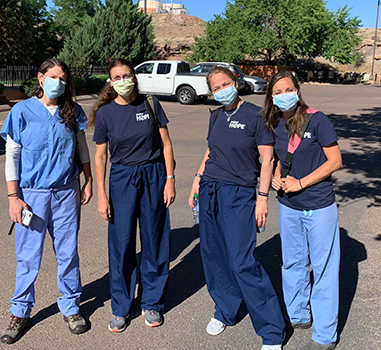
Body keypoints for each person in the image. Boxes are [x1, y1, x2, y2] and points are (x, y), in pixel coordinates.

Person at [189, 66, 286, 350]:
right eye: (215, 88)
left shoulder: (256, 115)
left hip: (239, 194)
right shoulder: (216, 115)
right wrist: (197, 179)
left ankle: (271, 330)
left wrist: (263, 197)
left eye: (225, 84)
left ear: (236, 82)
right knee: (213, 255)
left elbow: (267, 160)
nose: (221, 90)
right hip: (210, 189)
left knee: (242, 261)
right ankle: (225, 309)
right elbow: (211, 151)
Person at [0, 58, 93, 343]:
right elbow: (12, 156)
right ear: (40, 78)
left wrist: (87, 179)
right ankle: (21, 310)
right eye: (53, 77)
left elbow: (81, 146)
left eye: (63, 78)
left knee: (67, 252)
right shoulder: (22, 111)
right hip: (32, 196)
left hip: (66, 192)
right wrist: (13, 197)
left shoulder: (72, 111)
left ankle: (70, 305)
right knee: (28, 256)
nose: (59, 82)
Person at [91, 58, 176, 333]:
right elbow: (101, 156)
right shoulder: (105, 114)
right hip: (122, 179)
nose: (122, 80)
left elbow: (166, 144)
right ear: (110, 82)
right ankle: (121, 307)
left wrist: (170, 180)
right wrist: (102, 195)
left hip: (153, 175)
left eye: (126, 75)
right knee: (122, 244)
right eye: (117, 77)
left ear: (134, 77)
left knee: (155, 241)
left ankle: (152, 303)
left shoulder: (149, 103)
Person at [266, 70, 343, 350]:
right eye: (278, 92)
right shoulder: (274, 123)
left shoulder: (317, 119)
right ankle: (298, 314)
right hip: (288, 206)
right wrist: (276, 175)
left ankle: (325, 334)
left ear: (297, 91)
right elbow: (277, 157)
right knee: (293, 263)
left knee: (323, 269)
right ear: (272, 97)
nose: (284, 95)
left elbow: (335, 160)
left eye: (288, 89)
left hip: (319, 205)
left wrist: (302, 182)